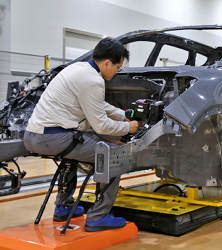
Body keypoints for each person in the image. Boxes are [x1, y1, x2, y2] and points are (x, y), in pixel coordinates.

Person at [24, 37, 139, 232]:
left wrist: (122, 115)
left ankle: (63, 206)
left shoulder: (77, 69)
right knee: (113, 155)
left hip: (34, 136)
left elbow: (97, 104)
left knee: (74, 152)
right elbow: (101, 126)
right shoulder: (93, 80)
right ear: (107, 63)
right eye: (117, 67)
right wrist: (129, 128)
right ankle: (98, 217)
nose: (117, 71)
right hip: (53, 138)